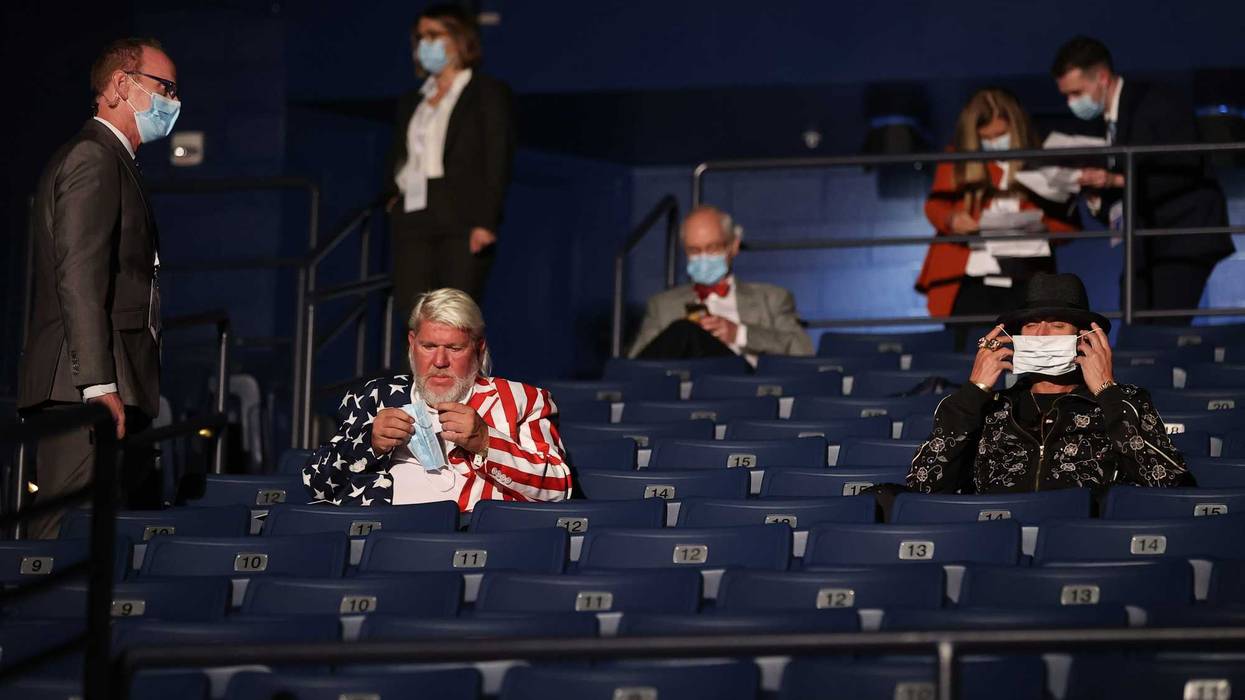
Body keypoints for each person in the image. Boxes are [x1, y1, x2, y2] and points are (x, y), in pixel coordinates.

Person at [17, 38, 180, 538]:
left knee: (101, 542)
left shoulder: (116, 159)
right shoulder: (93, 156)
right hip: (81, 389)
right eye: (165, 88)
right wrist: (97, 384)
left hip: (111, 383)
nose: (173, 102)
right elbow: (80, 276)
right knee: (62, 541)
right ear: (119, 85)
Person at [907, 273, 1192, 494]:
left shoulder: (1125, 401)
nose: (1041, 334)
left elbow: (1168, 484)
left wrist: (1107, 393)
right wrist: (974, 391)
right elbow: (924, 484)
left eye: (1057, 325)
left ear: (1084, 339)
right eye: (1030, 325)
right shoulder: (988, 408)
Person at [304, 288, 571, 510]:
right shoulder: (376, 397)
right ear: (412, 343)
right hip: (383, 537)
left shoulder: (521, 400)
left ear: (479, 349)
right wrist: (369, 442)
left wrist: (486, 442)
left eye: (455, 348)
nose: (440, 361)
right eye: (429, 347)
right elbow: (316, 483)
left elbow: (559, 488)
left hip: (471, 540)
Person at [1051, 36, 1234, 323]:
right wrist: (1098, 196)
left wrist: (1115, 181)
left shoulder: (1155, 102)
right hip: (1145, 244)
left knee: (1158, 331)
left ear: (1101, 77)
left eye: (1076, 93)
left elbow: (1184, 165)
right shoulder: (1110, 123)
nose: (1072, 102)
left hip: (1181, 237)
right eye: (1067, 96)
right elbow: (1123, 191)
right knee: (1135, 323)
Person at [385, 3, 516, 317]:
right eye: (420, 37)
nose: (425, 44)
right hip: (413, 211)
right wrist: (392, 196)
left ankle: (456, 369)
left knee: (454, 316)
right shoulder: (413, 99)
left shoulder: (486, 92)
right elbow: (400, 154)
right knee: (414, 312)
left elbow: (498, 156)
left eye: (434, 34)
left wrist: (486, 221)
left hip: (462, 215)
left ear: (459, 39)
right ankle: (417, 370)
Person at [916, 88, 1077, 323]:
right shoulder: (957, 158)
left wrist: (1041, 226)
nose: (994, 143)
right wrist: (953, 220)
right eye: (986, 138)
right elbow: (935, 206)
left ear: (1016, 126)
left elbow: (1069, 227)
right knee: (969, 352)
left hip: (1026, 281)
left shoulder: (1043, 160)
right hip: (969, 280)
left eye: (1000, 135)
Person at [627, 205, 814, 362]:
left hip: (744, 387)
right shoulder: (663, 305)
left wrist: (740, 334)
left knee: (685, 330)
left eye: (712, 248)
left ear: (733, 246)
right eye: (694, 250)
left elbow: (803, 350)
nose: (703, 257)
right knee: (683, 330)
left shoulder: (771, 298)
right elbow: (636, 364)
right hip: (683, 390)